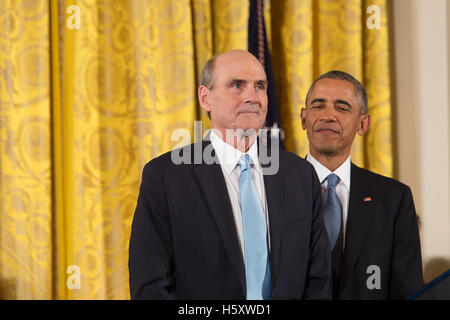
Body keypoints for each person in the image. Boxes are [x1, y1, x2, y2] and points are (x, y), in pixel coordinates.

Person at [128, 50, 331, 299]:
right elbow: (150, 286)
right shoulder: (165, 177)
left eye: (260, 86)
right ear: (205, 98)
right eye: (237, 85)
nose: (252, 96)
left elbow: (318, 281)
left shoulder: (300, 175)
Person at [301, 70, 423, 299]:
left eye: (342, 107)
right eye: (318, 106)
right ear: (303, 118)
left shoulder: (394, 198)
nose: (328, 115)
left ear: (363, 123)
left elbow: (407, 290)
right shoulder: (275, 190)